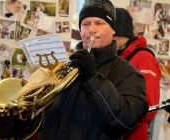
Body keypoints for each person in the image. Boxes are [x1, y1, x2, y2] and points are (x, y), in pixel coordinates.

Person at [33, 0, 149, 140]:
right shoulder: (63, 66)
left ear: (113, 29)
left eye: (99, 23)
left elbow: (124, 121)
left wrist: (92, 79)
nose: (91, 29)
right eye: (85, 24)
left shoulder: (130, 74)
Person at [113, 8, 161, 140]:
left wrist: (117, 120)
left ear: (115, 33)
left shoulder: (144, 58)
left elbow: (150, 106)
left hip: (132, 136)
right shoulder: (116, 56)